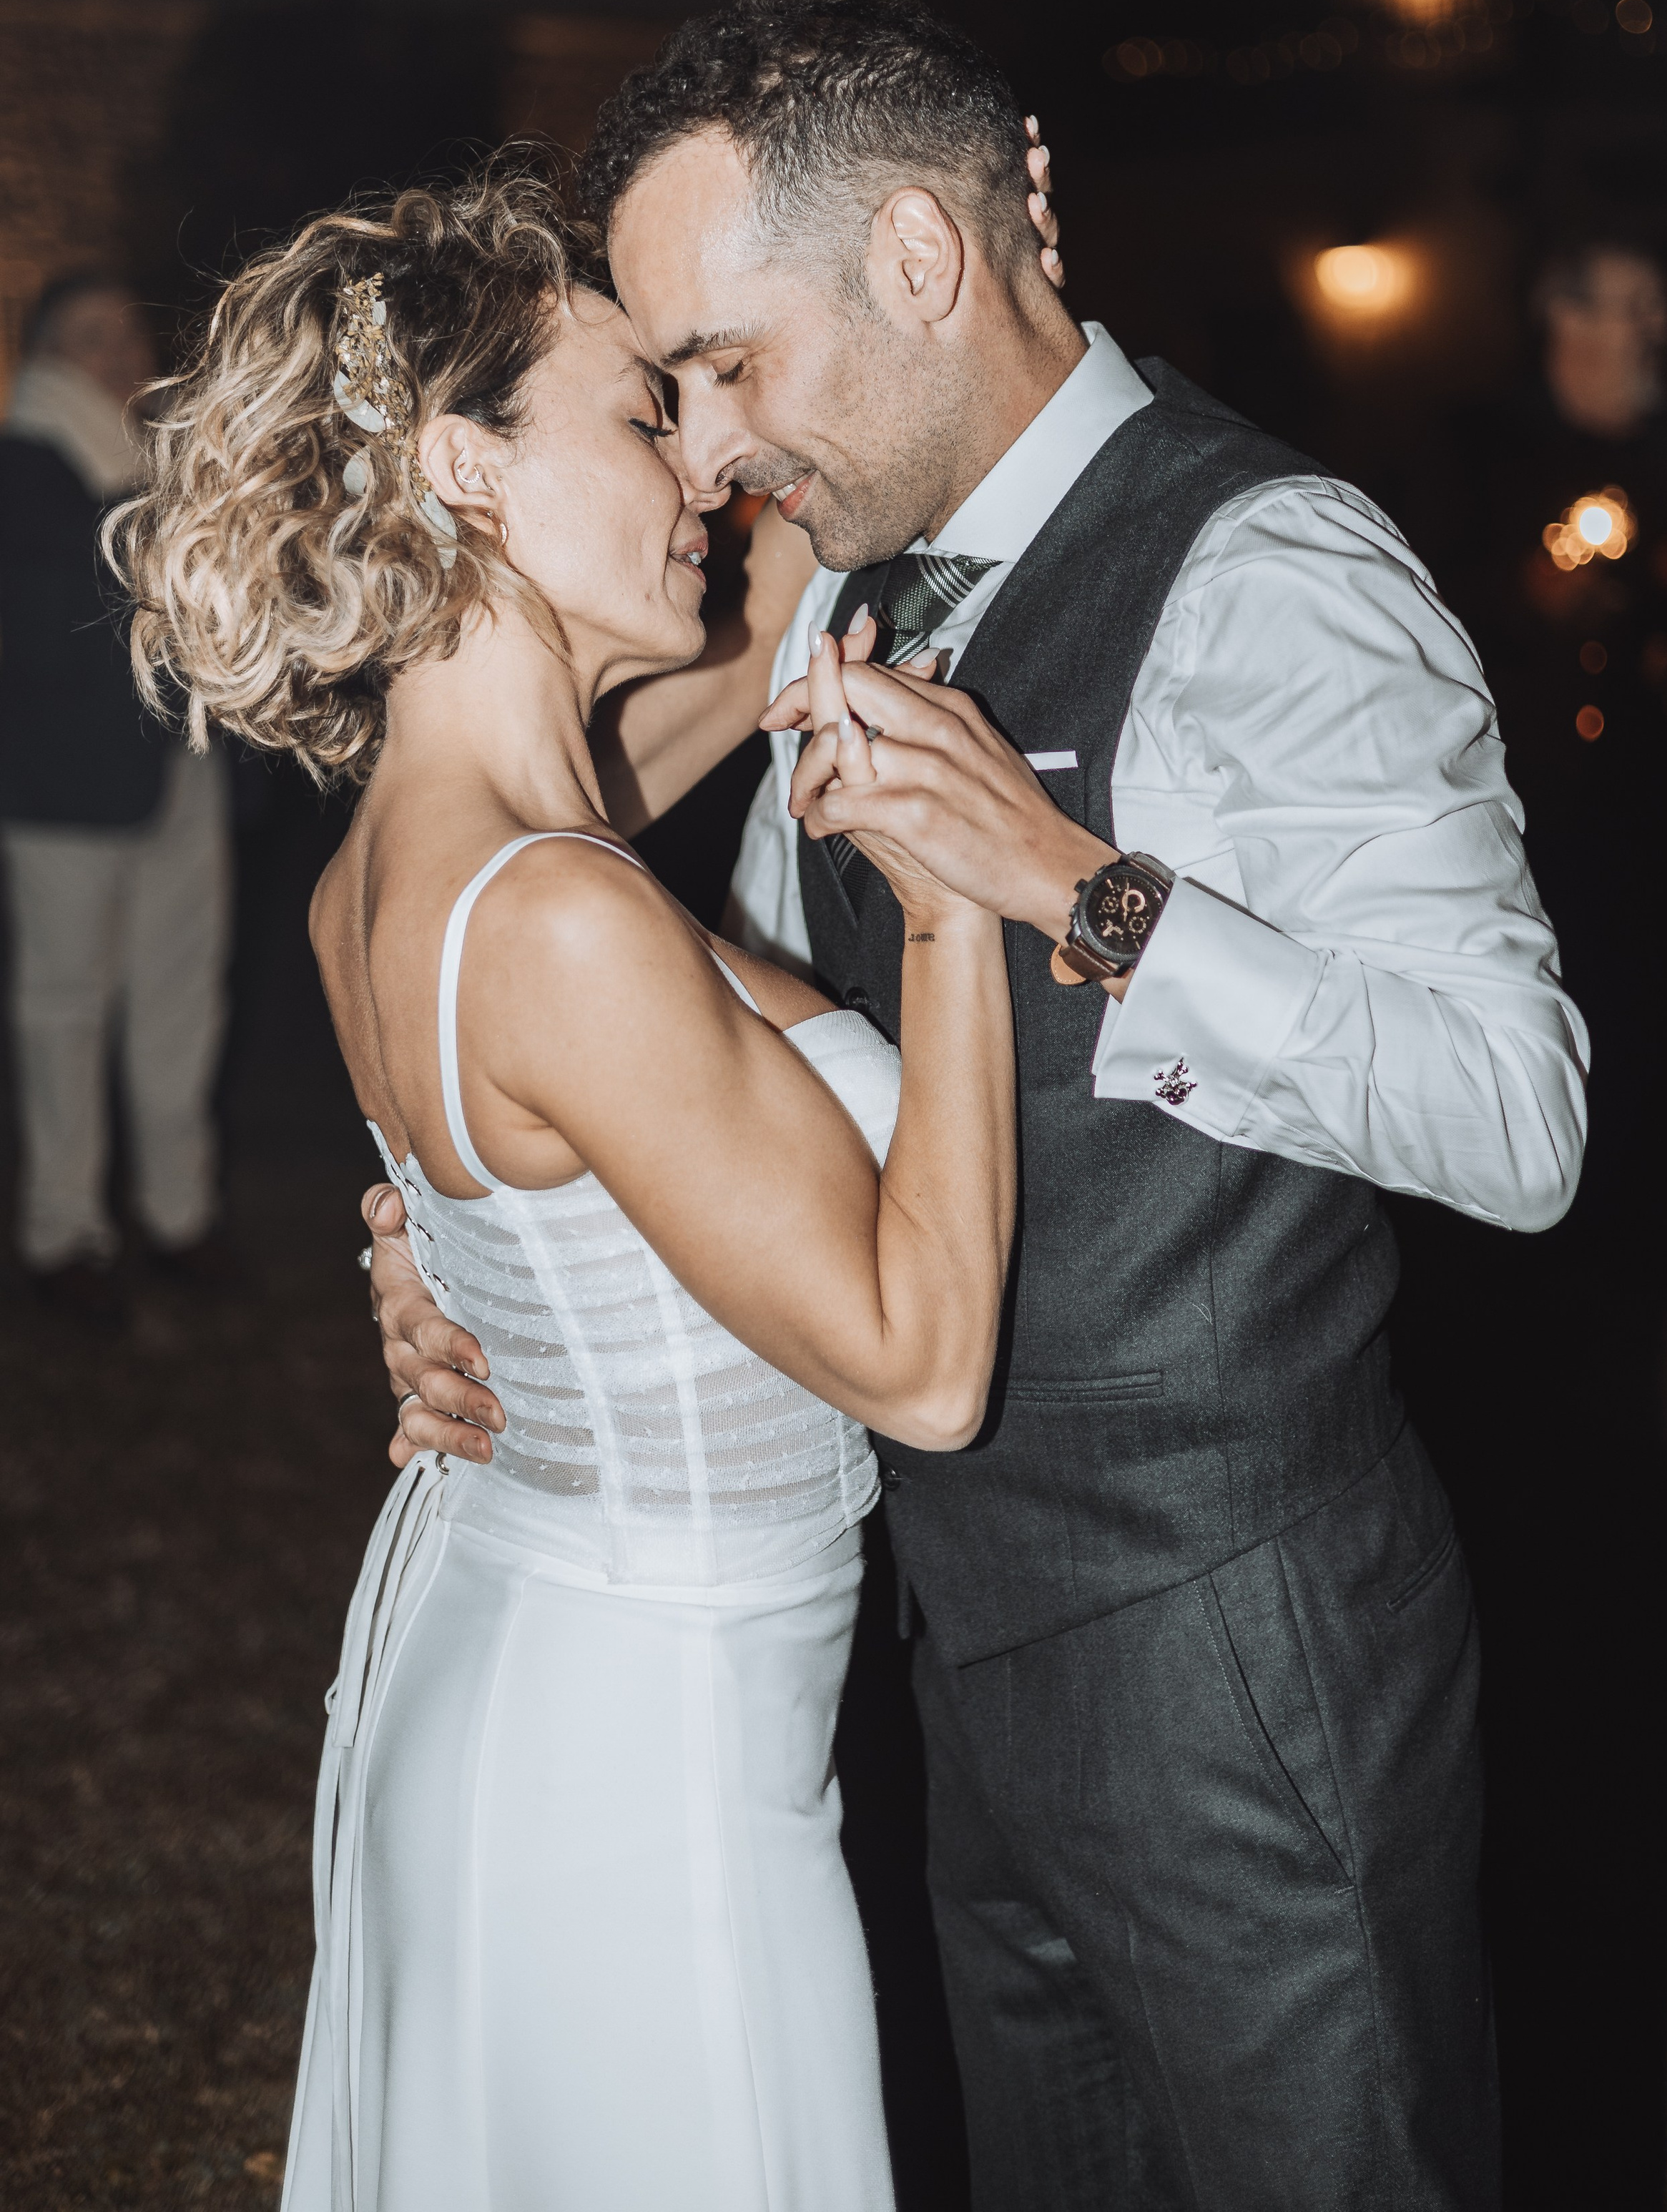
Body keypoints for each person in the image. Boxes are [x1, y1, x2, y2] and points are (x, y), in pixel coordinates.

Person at [370, 0, 1589, 2211]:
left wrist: (1079, 893)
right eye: (670, 394)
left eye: (728, 364)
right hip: (944, 1661)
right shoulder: (836, 582)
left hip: (1239, 1661)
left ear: (922, 260)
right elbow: (661, 993)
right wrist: (495, 1249)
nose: (707, 450)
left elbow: (1518, 1121)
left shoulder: (1272, 571)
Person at [110, 162, 1021, 2211]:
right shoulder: (551, 912)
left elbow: (782, 596)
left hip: (544, 1652)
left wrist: (945, 262)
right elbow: (924, 1364)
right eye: (643, 415)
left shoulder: (429, 851)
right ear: (467, 468)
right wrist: (955, 898)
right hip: (641, 1769)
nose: (703, 464)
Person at [0, 270, 231, 1327]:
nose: (122, 353)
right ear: (47, 354)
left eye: (130, 333)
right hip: (64, 790)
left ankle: (180, 1216)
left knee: (183, 1001)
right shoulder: (24, 467)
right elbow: (51, 620)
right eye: (92, 335)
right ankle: (63, 1233)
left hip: (180, 770)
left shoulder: (159, 463)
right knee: (64, 1010)